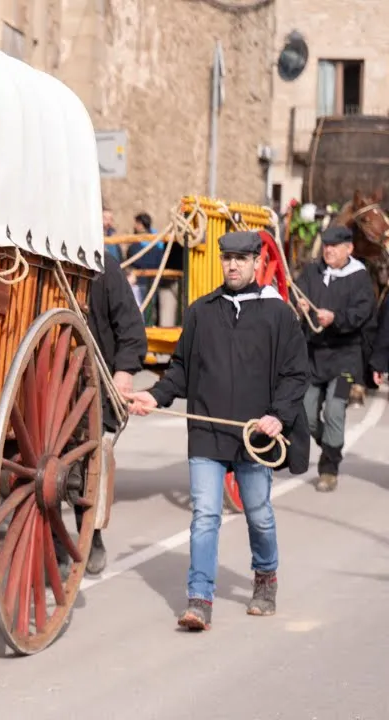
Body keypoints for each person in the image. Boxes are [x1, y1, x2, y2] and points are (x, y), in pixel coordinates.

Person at [126, 231, 309, 632]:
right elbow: (180, 370)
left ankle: (265, 577)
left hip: (255, 436)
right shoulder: (201, 312)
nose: (233, 265)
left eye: (241, 259)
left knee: (259, 515)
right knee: (205, 515)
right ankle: (199, 599)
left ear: (257, 262)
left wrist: (278, 416)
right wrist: (154, 396)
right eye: (228, 258)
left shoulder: (278, 314)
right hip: (207, 432)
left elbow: (297, 374)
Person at [75, 251, 148, 575]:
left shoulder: (101, 265)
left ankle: (91, 534)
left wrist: (124, 371)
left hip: (92, 383)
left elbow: (131, 327)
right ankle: (54, 541)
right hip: (42, 384)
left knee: (87, 467)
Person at [294, 225, 377, 493]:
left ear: (348, 248)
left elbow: (363, 313)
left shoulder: (360, 277)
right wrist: (299, 305)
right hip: (313, 357)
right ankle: (330, 444)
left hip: (345, 361)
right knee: (305, 414)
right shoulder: (312, 271)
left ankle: (329, 467)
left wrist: (336, 319)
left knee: (335, 410)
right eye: (326, 245)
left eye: (334, 246)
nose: (328, 250)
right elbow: (297, 293)